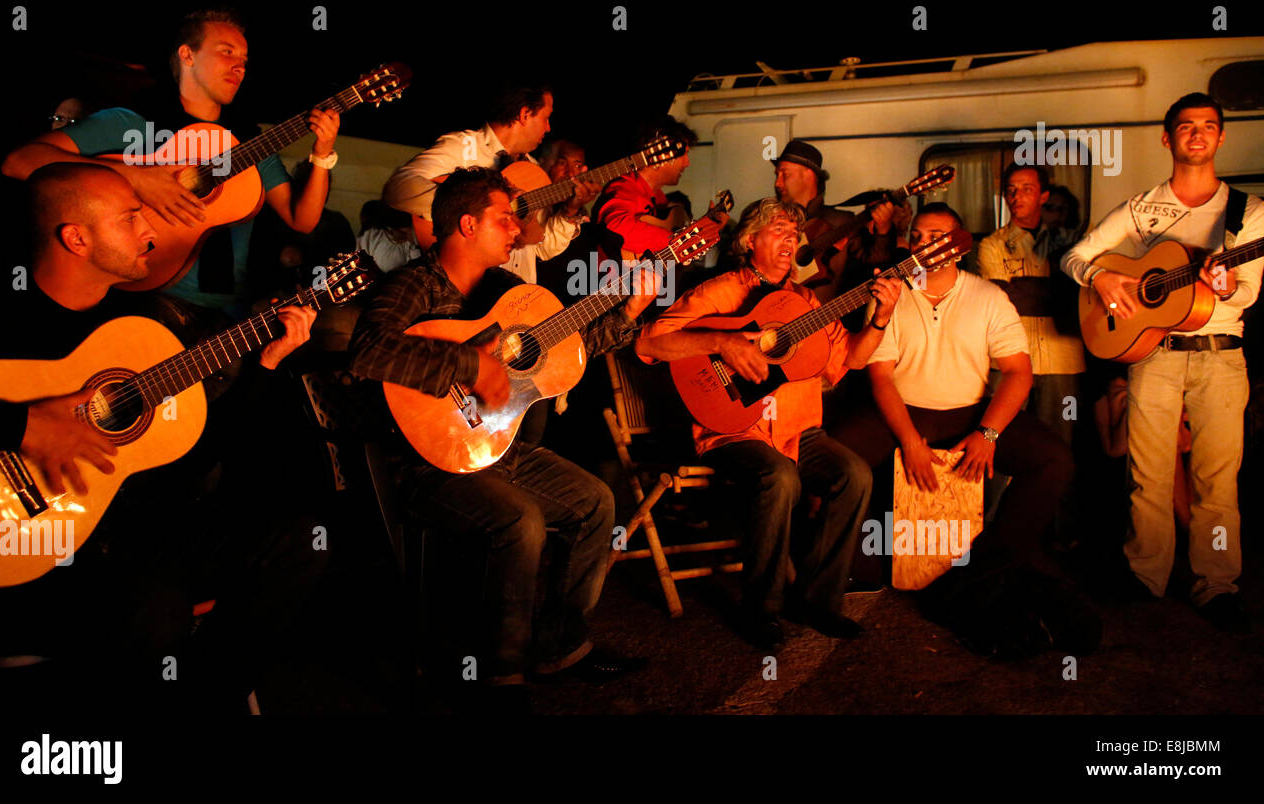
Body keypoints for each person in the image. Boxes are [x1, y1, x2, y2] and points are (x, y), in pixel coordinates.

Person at [0, 162, 321, 711]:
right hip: (32, 547)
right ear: (76, 237)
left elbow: (192, 450)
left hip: (142, 533)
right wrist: (24, 425)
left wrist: (266, 366)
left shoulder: (143, 330)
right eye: (132, 218)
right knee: (154, 612)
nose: (151, 233)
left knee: (301, 541)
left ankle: (199, 699)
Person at [348, 167, 655, 708]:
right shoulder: (413, 286)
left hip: (500, 449)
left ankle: (560, 646)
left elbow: (570, 343)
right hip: (426, 463)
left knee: (597, 503)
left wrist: (628, 309)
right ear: (466, 224)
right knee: (522, 520)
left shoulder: (509, 293)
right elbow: (369, 354)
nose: (517, 228)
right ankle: (500, 675)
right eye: (503, 218)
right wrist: (468, 362)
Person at [634, 198, 900, 649]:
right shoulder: (721, 291)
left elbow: (851, 358)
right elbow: (649, 341)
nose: (790, 239)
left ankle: (816, 599)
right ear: (749, 240)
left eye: (794, 233)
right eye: (778, 230)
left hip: (799, 429)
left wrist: (881, 316)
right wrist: (723, 342)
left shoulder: (808, 302)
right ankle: (762, 610)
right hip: (733, 429)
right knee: (780, 477)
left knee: (853, 475)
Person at [830, 204, 1089, 657]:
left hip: (969, 413)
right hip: (904, 412)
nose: (926, 242)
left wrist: (988, 434)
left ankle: (988, 566)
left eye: (938, 234)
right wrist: (909, 439)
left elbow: (1017, 372)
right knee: (833, 453)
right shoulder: (891, 294)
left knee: (1054, 460)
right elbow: (880, 376)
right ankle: (852, 564)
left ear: (959, 243)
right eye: (919, 233)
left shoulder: (988, 297)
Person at [1061, 92, 1264, 632]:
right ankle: (1145, 576)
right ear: (1167, 138)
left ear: (1221, 138)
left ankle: (1215, 584)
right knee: (1146, 475)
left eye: (1208, 126)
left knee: (1216, 480)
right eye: (1186, 126)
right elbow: (1075, 256)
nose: (1197, 134)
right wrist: (1102, 278)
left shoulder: (1251, 213)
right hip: (1152, 353)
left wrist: (1224, 286)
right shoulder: (1141, 208)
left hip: (1221, 357)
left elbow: (1246, 293)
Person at [1, 8, 341, 321]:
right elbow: (19, 162)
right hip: (145, 301)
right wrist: (136, 177)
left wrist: (323, 153)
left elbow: (303, 221)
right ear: (187, 54)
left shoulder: (247, 144)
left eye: (244, 59)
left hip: (227, 310)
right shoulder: (131, 123)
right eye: (226, 51)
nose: (239, 66)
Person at [382, 83, 598, 284]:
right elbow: (398, 187)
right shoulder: (464, 147)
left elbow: (543, 248)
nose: (549, 127)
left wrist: (569, 212)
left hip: (512, 298)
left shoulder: (533, 172)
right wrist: (481, 208)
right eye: (546, 118)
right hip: (459, 292)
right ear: (525, 115)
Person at [976, 163, 1086, 447]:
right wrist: (1059, 293)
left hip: (1063, 360)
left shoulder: (1073, 245)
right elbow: (1001, 299)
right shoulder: (992, 244)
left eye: (1027, 189)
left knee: (1062, 442)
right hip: (1008, 358)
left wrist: (1022, 289)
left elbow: (1081, 298)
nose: (1017, 197)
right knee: (999, 440)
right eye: (1011, 190)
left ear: (1043, 196)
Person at [770, 140, 896, 303]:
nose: (777, 183)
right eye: (777, 175)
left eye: (785, 174)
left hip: (826, 322)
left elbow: (874, 266)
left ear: (808, 175)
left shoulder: (841, 222)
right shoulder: (768, 221)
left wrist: (883, 231)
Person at [593, 117, 697, 260]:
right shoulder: (624, 187)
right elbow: (615, 226)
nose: (687, 163)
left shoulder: (659, 198)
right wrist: (676, 242)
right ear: (663, 153)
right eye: (683, 154)